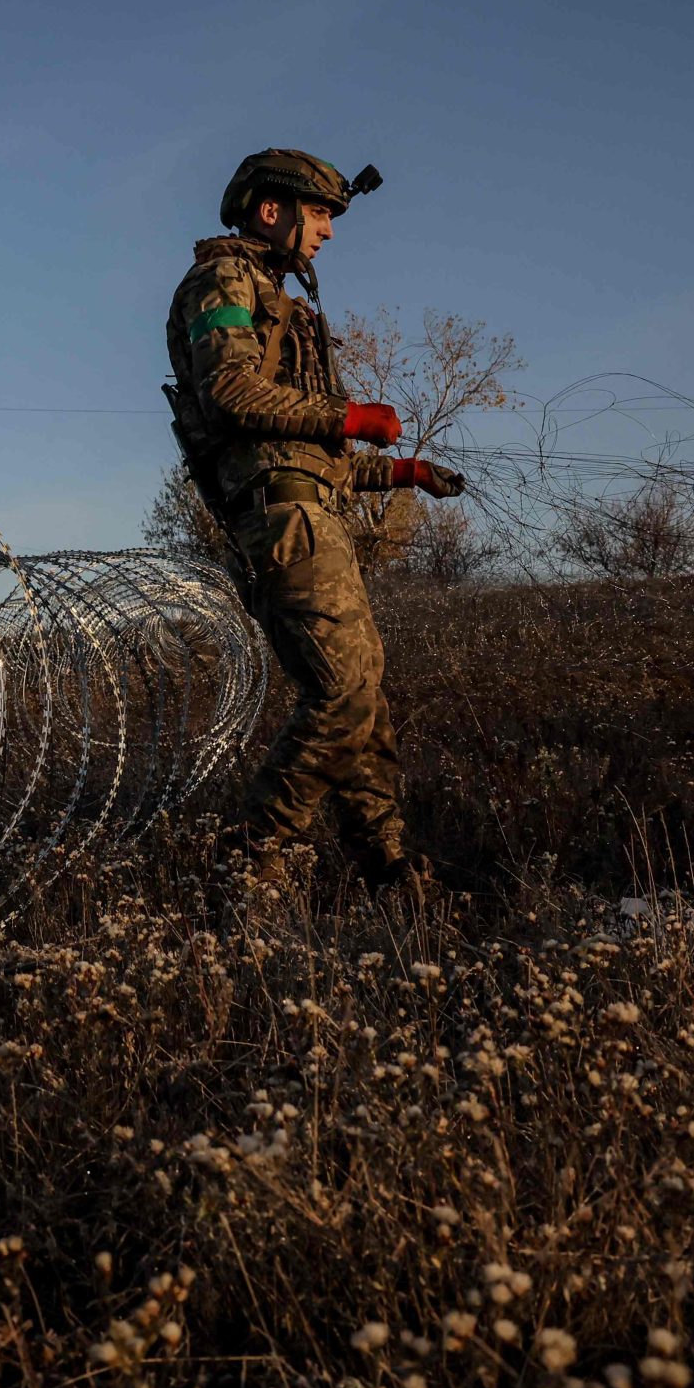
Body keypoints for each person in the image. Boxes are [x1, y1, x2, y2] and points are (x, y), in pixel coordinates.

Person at [163, 149, 468, 899]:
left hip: (310, 506)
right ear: (273, 210)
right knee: (343, 693)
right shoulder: (221, 281)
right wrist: (353, 417)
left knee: (365, 695)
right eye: (321, 213)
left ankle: (390, 869)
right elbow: (232, 391)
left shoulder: (277, 298)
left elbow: (308, 449)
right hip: (283, 519)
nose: (328, 232)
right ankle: (250, 855)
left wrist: (400, 472)